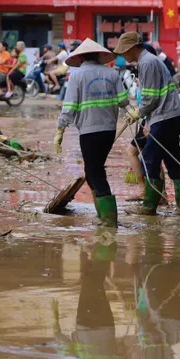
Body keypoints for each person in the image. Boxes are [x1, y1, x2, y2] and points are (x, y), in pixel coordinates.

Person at [114, 31, 180, 217]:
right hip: (169, 115)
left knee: (148, 158)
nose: (123, 56)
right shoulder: (149, 61)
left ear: (133, 48)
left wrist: (138, 113)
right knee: (172, 160)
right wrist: (146, 120)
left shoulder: (147, 62)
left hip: (164, 116)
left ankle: (149, 206)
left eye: (124, 51)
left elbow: (151, 98)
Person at [54, 39, 128, 227]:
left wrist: (60, 129)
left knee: (95, 172)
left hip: (89, 130)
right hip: (109, 130)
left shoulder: (77, 76)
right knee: (92, 169)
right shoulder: (112, 73)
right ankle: (102, 214)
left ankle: (109, 220)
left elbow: (69, 106)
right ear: (98, 56)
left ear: (80, 57)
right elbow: (124, 101)